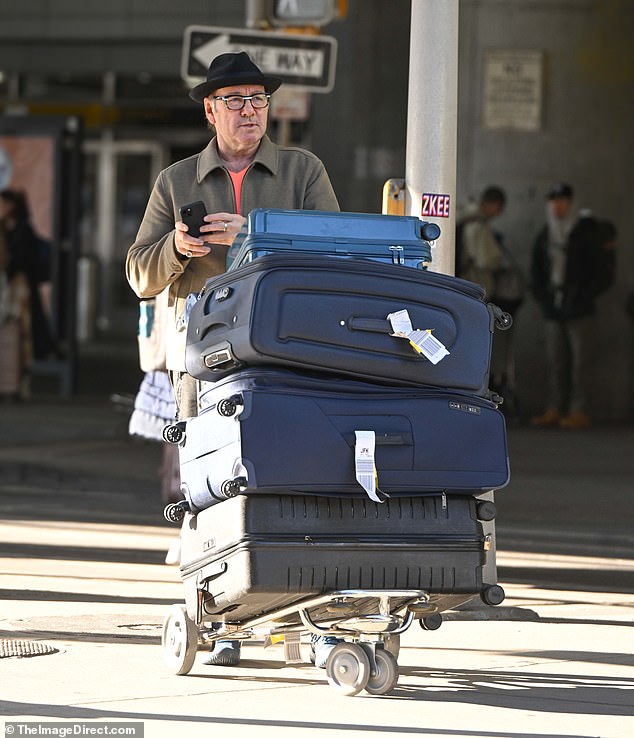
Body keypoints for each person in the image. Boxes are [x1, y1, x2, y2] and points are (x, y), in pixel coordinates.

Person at [126, 51, 340, 668]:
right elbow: (140, 275)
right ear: (211, 110)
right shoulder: (175, 182)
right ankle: (216, 619)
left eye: (258, 101)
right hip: (207, 355)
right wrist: (178, 245)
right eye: (237, 102)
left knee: (304, 474)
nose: (251, 112)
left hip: (290, 350)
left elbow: (334, 250)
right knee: (209, 485)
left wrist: (250, 234)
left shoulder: (303, 169)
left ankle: (317, 616)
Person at [530, 183, 612, 429]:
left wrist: (584, 296)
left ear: (571, 202)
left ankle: (579, 409)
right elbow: (536, 271)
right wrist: (544, 300)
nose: (557, 205)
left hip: (581, 308)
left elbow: (602, 271)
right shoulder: (546, 234)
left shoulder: (586, 231)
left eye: (563, 200)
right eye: (553, 200)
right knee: (556, 361)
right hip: (554, 307)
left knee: (581, 362)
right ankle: (555, 408)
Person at [456, 186, 525, 411]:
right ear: (494, 204)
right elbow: (488, 259)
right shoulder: (477, 224)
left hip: (461, 290)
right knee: (482, 347)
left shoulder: (464, 216)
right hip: (475, 291)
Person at [0, 189, 55, 361]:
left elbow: (23, 258)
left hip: (21, 283)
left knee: (24, 322)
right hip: (10, 282)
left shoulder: (22, 229)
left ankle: (31, 354)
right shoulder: (5, 228)